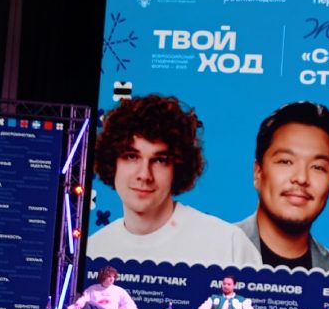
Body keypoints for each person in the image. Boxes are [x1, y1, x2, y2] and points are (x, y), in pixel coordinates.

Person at [87, 93, 258, 267]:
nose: (144, 175)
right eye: (131, 157)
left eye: (159, 160)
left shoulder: (228, 245)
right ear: (112, 162)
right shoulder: (92, 251)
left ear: (177, 168)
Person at [236, 101, 329, 270]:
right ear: (258, 172)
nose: (301, 178)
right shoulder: (210, 253)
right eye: (286, 161)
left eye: (318, 167)